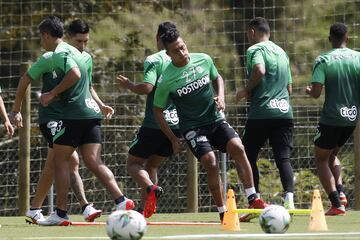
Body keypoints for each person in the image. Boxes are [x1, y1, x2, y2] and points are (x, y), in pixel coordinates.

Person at [25, 16, 133, 226]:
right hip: (60, 118)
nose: (82, 46)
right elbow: (27, 79)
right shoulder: (54, 56)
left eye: (86, 41)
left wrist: (53, 94)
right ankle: (115, 201)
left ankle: (55, 211)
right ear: (68, 39)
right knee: (77, 161)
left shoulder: (81, 58)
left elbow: (86, 84)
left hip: (73, 116)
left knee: (63, 161)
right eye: (79, 41)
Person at [153, 28, 267, 222]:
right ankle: (224, 212)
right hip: (193, 128)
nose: (182, 53)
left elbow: (218, 78)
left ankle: (253, 197)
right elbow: (157, 110)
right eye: (176, 51)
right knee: (210, 162)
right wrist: (173, 138)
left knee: (238, 148)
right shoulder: (166, 79)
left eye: (183, 47)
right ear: (167, 54)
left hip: (215, 119)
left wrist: (221, 96)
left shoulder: (204, 59)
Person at [116, 22, 180, 218]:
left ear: (158, 38)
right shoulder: (182, 57)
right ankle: (147, 208)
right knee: (152, 164)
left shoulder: (155, 59)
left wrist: (129, 85)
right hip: (176, 124)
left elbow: (147, 87)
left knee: (133, 164)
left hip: (155, 123)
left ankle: (151, 188)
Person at [236, 17, 295, 221]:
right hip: (285, 112)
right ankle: (290, 200)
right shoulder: (282, 53)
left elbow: (259, 70)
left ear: (252, 32)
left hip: (262, 113)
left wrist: (246, 90)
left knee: (247, 155)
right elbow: (289, 88)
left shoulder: (255, 50)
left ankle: (255, 202)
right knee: (283, 157)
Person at [306, 22, 360, 216]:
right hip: (351, 118)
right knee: (332, 155)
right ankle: (342, 193)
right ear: (347, 38)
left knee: (321, 159)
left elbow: (316, 93)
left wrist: (309, 90)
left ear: (330, 39)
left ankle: (336, 203)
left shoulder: (323, 60)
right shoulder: (358, 58)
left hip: (331, 118)